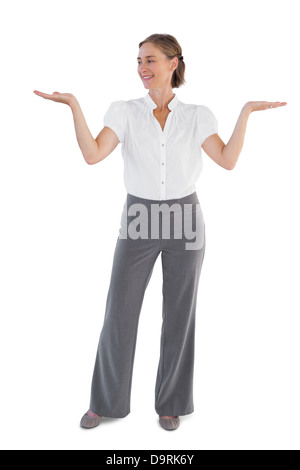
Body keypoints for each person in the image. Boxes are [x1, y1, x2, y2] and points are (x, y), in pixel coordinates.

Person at [33, 33, 287, 432]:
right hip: (139, 216)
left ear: (173, 63)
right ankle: (105, 402)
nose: (142, 69)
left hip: (186, 218)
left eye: (150, 60)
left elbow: (227, 160)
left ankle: (171, 403)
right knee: (120, 311)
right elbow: (92, 154)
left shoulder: (198, 115)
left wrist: (246, 113)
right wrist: (74, 107)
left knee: (179, 315)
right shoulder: (125, 111)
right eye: (138, 62)